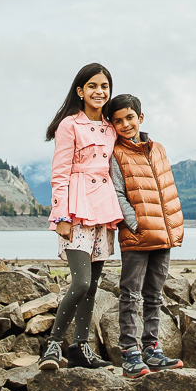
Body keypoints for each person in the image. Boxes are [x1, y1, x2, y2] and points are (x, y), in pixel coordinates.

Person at [41, 62, 122, 371]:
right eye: (93, 86)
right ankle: (52, 345)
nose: (99, 92)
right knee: (80, 282)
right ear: (80, 91)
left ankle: (80, 347)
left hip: (104, 208)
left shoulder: (110, 127)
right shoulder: (69, 125)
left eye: (104, 87)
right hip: (76, 209)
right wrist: (60, 215)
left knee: (93, 285)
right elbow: (59, 173)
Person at [103, 92, 184, 378]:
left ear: (141, 117)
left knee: (154, 294)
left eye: (129, 118)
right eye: (118, 121)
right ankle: (130, 353)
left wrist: (173, 224)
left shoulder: (158, 149)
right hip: (137, 236)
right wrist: (135, 224)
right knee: (130, 295)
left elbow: (166, 188)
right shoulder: (116, 153)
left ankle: (152, 349)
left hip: (164, 235)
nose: (125, 124)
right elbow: (117, 193)